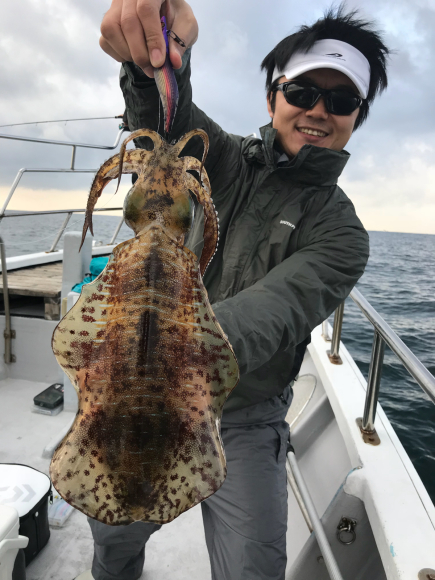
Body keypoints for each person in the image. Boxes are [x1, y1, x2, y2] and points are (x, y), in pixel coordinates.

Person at [75, 2, 390, 579]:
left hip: (244, 416)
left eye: (341, 101)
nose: (318, 111)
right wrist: (157, 61)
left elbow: (274, 311)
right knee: (112, 533)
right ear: (274, 97)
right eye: (302, 93)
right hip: (136, 392)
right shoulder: (220, 158)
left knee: (253, 567)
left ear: (356, 116)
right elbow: (168, 122)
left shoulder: (343, 235)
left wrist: (162, 350)